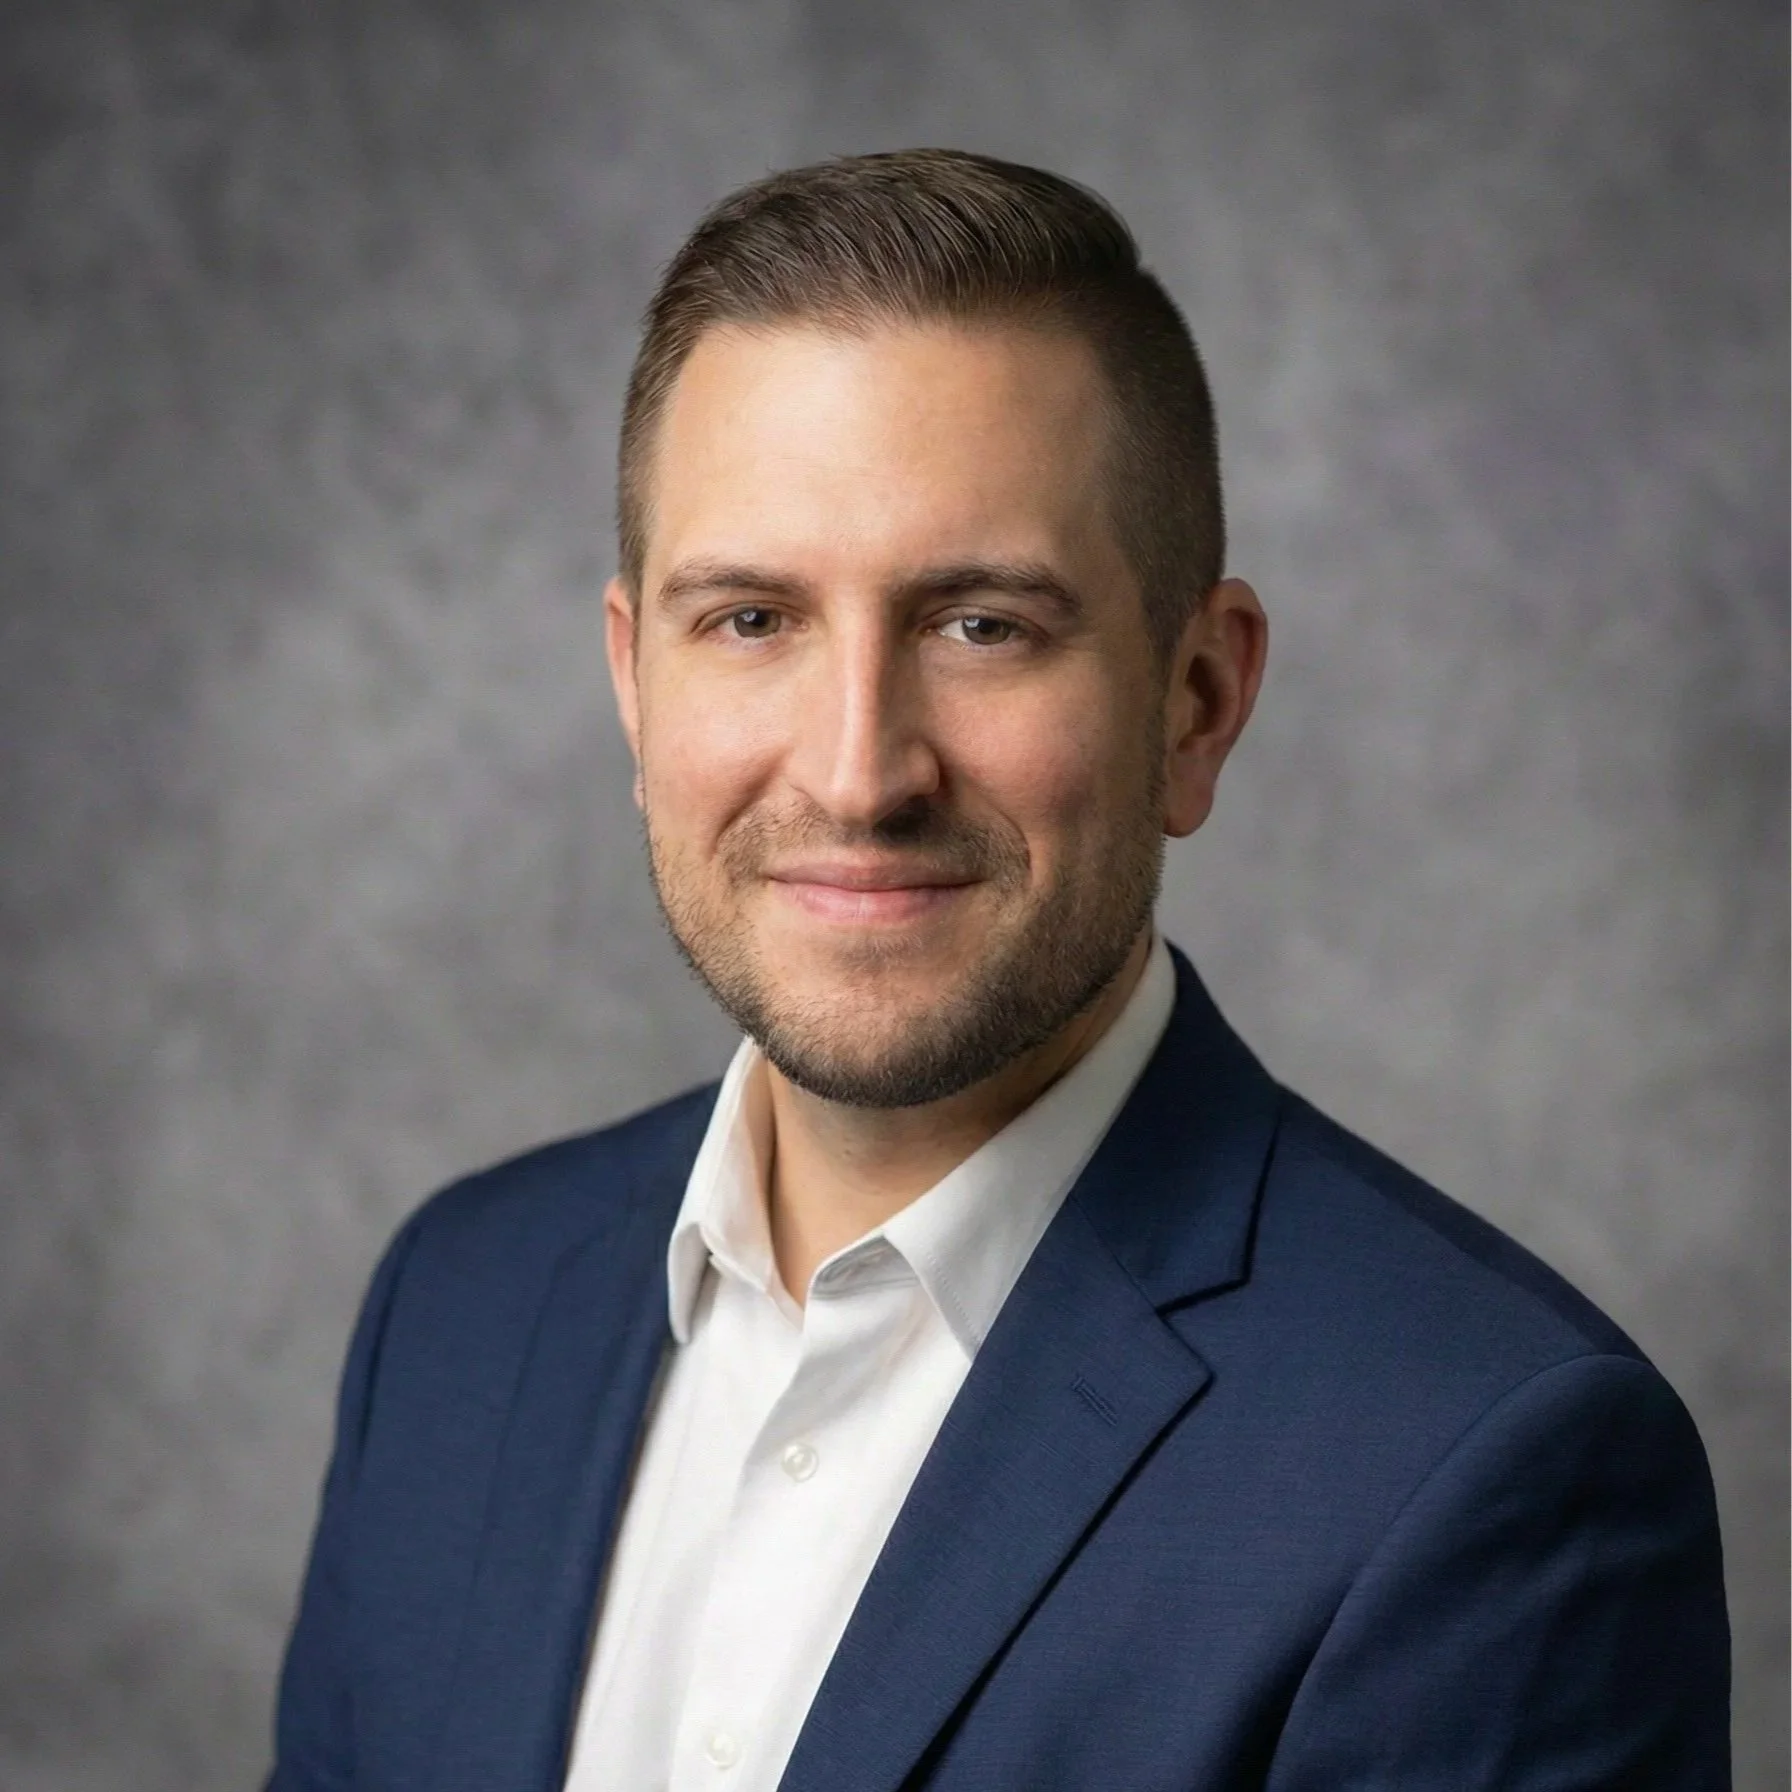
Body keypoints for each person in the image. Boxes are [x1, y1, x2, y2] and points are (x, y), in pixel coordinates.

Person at [267, 149, 1729, 1792]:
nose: (857, 773)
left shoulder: (1483, 1467)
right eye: (750, 619)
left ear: (1197, 702)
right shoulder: (458, 1310)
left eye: (982, 626)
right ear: (633, 681)